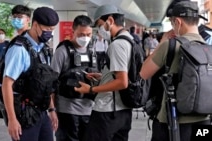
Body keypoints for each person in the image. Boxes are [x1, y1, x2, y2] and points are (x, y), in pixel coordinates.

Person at [140, 1, 211, 141]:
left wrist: (162, 43)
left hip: (173, 122)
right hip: (204, 120)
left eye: (172, 23)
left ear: (178, 22)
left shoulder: (170, 45)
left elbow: (143, 73)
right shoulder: (208, 48)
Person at [74, 5, 133, 141]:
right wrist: (104, 76)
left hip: (108, 110)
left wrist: (91, 89)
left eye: (100, 25)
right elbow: (124, 73)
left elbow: (122, 82)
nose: (100, 30)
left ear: (110, 21)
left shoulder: (117, 44)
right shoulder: (130, 40)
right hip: (124, 110)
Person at [1, 7, 59, 141]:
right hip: (24, 113)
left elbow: (45, 83)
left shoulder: (44, 49)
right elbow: (6, 85)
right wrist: (12, 119)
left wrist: (51, 110)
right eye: (47, 29)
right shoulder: (19, 49)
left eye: (52, 29)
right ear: (35, 24)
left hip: (41, 111)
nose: (50, 33)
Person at [51, 15, 96, 141]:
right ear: (73, 32)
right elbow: (52, 83)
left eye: (89, 34)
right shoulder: (62, 51)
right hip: (67, 112)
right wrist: (52, 110)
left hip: (89, 111)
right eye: (81, 34)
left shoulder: (92, 51)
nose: (85, 38)